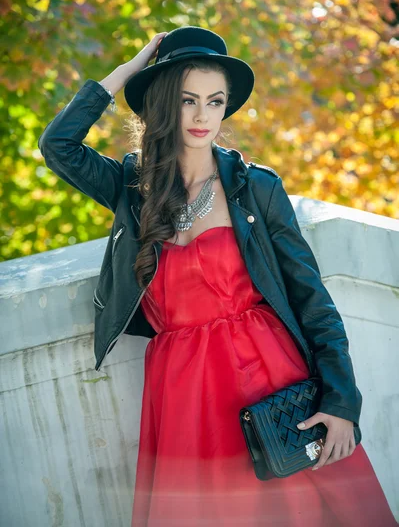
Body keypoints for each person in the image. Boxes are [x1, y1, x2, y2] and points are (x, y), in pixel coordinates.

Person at [38, 26, 397, 526]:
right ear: (164, 104)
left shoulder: (256, 189)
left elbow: (313, 299)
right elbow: (58, 145)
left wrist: (342, 402)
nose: (204, 115)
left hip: (269, 375)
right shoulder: (133, 187)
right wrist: (127, 73)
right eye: (188, 100)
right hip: (183, 388)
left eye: (215, 100)